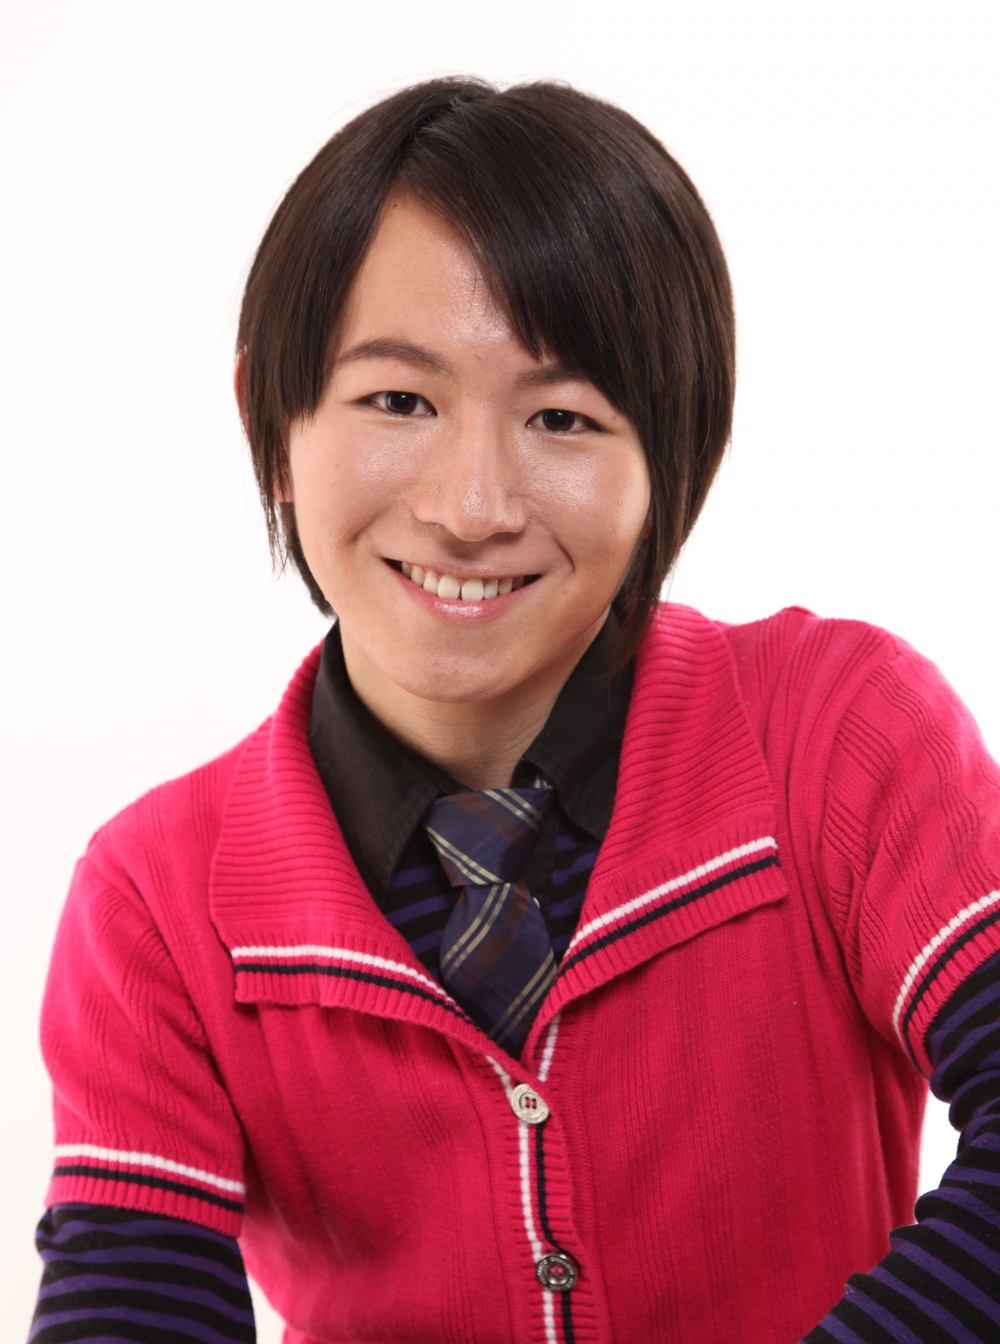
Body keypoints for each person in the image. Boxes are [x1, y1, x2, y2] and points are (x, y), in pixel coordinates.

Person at [29, 78, 1000, 1344]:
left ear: (672, 455)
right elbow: (127, 1307)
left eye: (561, 418)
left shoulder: (836, 733)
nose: (470, 507)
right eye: (397, 401)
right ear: (271, 417)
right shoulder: (156, 902)